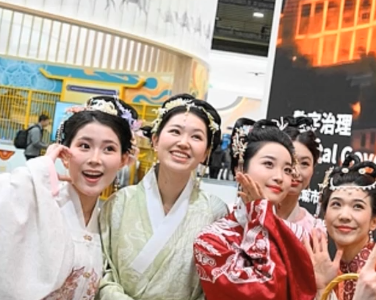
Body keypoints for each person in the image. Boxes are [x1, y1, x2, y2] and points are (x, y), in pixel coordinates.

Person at [0, 96, 138, 299]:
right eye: (84, 146)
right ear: (64, 154)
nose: (95, 159)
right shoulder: (37, 201)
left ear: (123, 160)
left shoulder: (109, 223)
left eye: (109, 149)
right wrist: (38, 171)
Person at [98, 94, 228, 300]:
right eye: (175, 131)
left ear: (206, 152)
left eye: (196, 137)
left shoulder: (215, 211)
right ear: (156, 140)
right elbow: (101, 268)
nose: (183, 143)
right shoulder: (119, 202)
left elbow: (214, 285)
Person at [193, 120, 319, 300]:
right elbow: (264, 292)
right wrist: (259, 213)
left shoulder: (298, 236)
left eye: (287, 170)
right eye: (268, 164)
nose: (279, 177)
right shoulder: (212, 239)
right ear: (240, 167)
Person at [314, 154, 376, 300]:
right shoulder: (325, 275)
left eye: (357, 206)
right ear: (325, 216)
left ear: (374, 221)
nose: (344, 215)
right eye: (336, 204)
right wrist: (321, 290)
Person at [279, 116, 326, 231]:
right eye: (290, 162)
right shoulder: (248, 214)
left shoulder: (314, 228)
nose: (296, 172)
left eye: (304, 163)